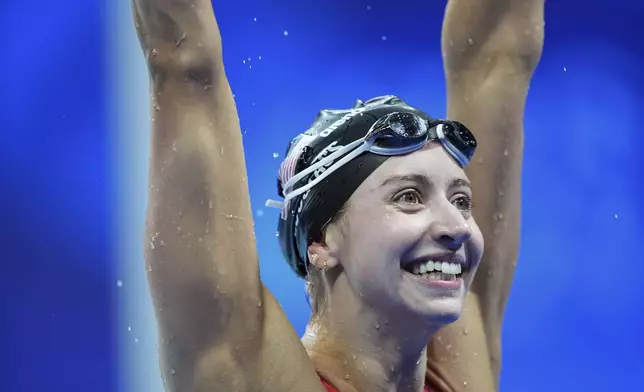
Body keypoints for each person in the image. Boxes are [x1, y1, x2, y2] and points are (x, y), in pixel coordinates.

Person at [131, 0, 543, 391]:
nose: (458, 227)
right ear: (321, 240)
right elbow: (183, 62)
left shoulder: (460, 372)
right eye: (409, 197)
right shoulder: (245, 375)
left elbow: (496, 57)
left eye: (461, 201)